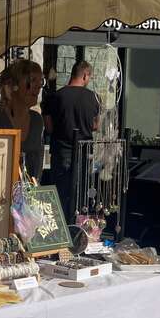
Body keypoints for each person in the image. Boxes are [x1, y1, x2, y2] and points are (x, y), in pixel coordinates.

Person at [44, 61, 100, 222]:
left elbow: (49, 127)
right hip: (84, 152)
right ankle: (79, 229)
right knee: (81, 193)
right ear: (85, 75)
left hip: (61, 150)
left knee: (60, 194)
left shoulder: (55, 97)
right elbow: (95, 125)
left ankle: (61, 230)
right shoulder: (93, 98)